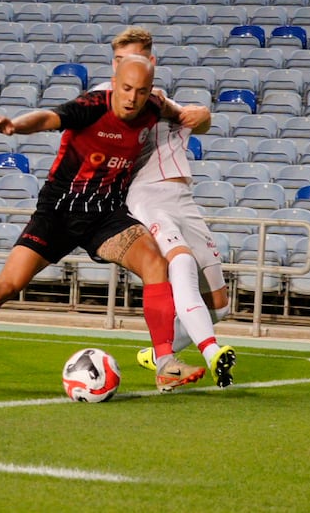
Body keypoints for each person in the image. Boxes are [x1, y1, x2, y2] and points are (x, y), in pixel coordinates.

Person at [0, 55, 207, 392]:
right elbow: (47, 118)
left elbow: (184, 115)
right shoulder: (90, 107)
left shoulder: (154, 107)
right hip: (58, 213)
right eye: (126, 89)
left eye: (141, 91)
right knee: (7, 286)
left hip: (105, 216)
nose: (132, 98)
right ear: (114, 82)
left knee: (155, 263)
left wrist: (202, 113)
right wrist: (16, 126)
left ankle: (165, 364)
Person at [92, 27, 236, 388]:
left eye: (139, 58)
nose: (132, 67)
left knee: (220, 304)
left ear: (151, 61)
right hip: (146, 195)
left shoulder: (159, 99)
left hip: (183, 199)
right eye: (124, 61)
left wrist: (202, 115)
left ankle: (159, 354)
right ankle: (208, 350)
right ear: (115, 65)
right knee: (180, 261)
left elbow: (198, 121)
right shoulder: (109, 98)